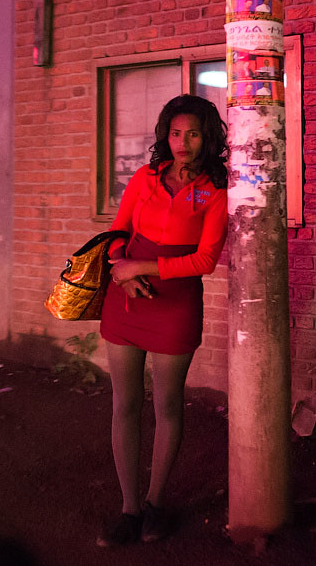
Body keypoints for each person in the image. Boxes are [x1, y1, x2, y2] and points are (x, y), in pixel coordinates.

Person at [95, 95, 229, 547]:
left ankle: (155, 504)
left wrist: (142, 269)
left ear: (206, 136)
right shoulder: (145, 176)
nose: (182, 142)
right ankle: (129, 509)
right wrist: (121, 270)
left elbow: (206, 259)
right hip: (128, 300)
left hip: (175, 304)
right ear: (165, 135)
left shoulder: (216, 190)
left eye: (192, 133)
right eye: (175, 133)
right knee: (125, 403)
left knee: (167, 405)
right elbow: (117, 232)